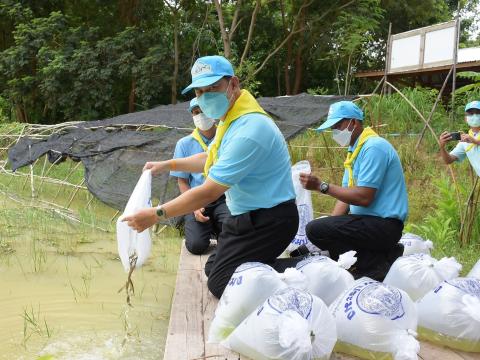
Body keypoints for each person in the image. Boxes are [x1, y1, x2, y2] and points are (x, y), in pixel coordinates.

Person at [123, 55, 298, 298]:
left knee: (221, 283)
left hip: (270, 221)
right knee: (212, 267)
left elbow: (209, 191)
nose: (206, 97)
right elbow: (210, 158)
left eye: (213, 88)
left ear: (233, 84)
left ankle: (304, 271)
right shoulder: (231, 120)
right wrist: (166, 164)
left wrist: (156, 214)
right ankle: (261, 268)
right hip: (246, 217)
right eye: (200, 91)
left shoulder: (250, 129)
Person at [300, 101, 407, 281]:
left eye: (338, 126)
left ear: (353, 123)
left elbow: (364, 197)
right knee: (319, 228)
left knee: (317, 229)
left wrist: (322, 186)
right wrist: (330, 225)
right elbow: (346, 198)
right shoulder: (355, 150)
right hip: (368, 224)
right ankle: (378, 257)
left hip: (384, 225)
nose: (335, 131)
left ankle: (373, 264)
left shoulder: (374, 147)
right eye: (332, 127)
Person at [170, 98, 230, 255]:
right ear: (192, 115)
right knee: (196, 246)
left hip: (224, 198)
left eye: (204, 110)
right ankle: (209, 228)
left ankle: (220, 229)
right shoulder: (184, 144)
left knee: (233, 239)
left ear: (214, 112)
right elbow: (182, 181)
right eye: (196, 112)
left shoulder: (227, 138)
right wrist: (193, 206)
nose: (201, 115)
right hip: (197, 200)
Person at [439, 100, 480, 176]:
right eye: (471, 114)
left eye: (478, 113)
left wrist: (475, 141)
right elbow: (448, 160)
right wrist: (442, 147)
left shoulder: (470, 139)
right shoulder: (465, 141)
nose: (474, 116)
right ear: (465, 119)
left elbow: (475, 141)